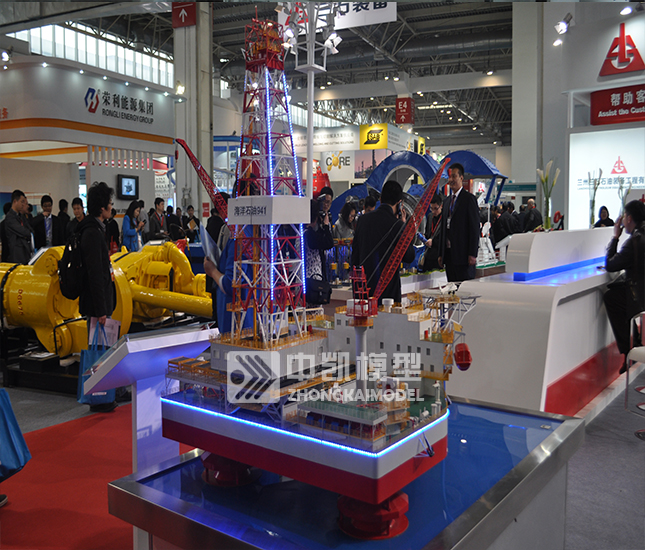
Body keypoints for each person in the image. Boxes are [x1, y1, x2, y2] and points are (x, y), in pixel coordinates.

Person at [77, 182, 117, 412]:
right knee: (99, 351)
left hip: (98, 303)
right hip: (96, 305)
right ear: (102, 207)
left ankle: (104, 393)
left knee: (103, 349)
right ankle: (99, 397)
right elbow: (95, 274)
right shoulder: (92, 233)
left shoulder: (95, 229)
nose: (112, 207)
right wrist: (101, 309)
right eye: (110, 203)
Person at [352, 180, 415, 303]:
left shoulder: (362, 220)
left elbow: (355, 256)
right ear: (399, 203)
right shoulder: (397, 226)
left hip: (364, 290)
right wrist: (404, 228)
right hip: (388, 294)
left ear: (380, 200)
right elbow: (409, 256)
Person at [603, 200, 645, 374]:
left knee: (611, 298)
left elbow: (610, 265)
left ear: (628, 218)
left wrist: (615, 238)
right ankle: (635, 343)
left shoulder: (634, 241)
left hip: (639, 297)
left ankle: (629, 350)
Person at [440, 163, 480, 282]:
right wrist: (441, 254)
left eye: (454, 176)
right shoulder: (446, 201)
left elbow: (474, 228)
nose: (451, 180)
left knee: (464, 289)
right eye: (449, 177)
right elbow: (443, 229)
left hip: (464, 256)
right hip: (449, 255)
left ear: (461, 178)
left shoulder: (469, 199)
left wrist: (472, 254)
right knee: (451, 289)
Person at [305, 199, 334, 304]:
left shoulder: (301, 232)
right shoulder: (310, 235)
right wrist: (326, 226)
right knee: (314, 312)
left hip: (303, 278)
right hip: (313, 282)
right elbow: (329, 243)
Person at [5, 190, 33, 264]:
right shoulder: (10, 217)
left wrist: (28, 233)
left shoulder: (21, 216)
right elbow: (24, 232)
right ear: (15, 201)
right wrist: (27, 234)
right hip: (17, 255)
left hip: (26, 253)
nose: (23, 204)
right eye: (22, 202)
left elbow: (31, 230)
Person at [419, 193, 443, 272]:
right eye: (431, 208)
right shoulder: (430, 216)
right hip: (428, 254)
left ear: (441, 206)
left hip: (439, 256)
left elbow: (446, 238)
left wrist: (433, 242)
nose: (433, 211)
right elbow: (428, 233)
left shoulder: (445, 218)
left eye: (436, 208)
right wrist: (424, 237)